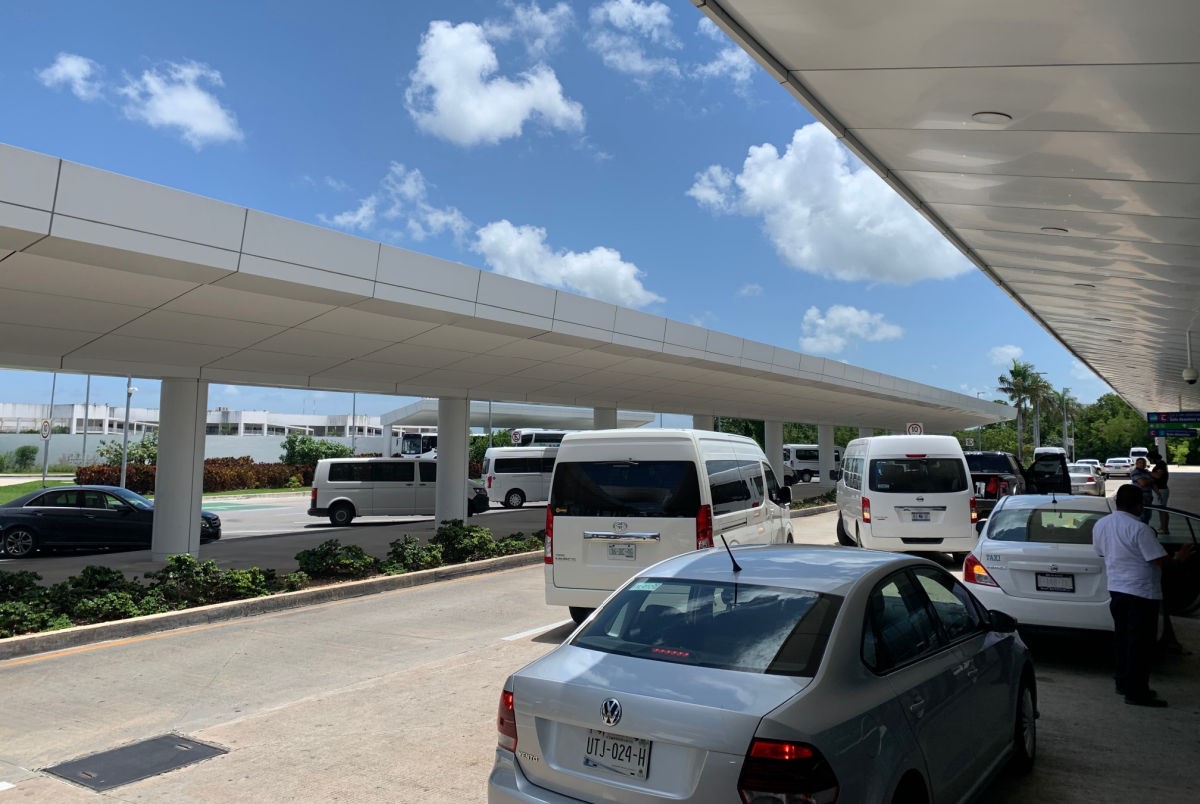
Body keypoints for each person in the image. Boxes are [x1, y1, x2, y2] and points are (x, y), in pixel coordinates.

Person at [1092, 484, 1193, 707]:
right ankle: (1137, 691)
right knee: (1140, 644)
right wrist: (1178, 559)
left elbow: (1100, 551)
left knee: (1122, 638)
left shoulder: (1102, 524)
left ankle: (1122, 682)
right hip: (1141, 593)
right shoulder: (1140, 529)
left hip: (1117, 590)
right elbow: (1157, 559)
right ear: (1139, 505)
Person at [1128, 457, 1158, 524]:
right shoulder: (1135, 472)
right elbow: (1143, 483)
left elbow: (1154, 482)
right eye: (1140, 463)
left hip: (1148, 496)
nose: (1142, 464)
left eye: (1144, 463)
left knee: (1148, 515)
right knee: (1141, 515)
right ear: (1136, 464)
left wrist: (1158, 493)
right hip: (1140, 496)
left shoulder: (1146, 472)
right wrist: (1151, 480)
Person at [1148, 449, 1170, 534]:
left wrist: (1148, 472)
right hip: (1161, 489)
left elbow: (1158, 476)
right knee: (1162, 509)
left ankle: (1164, 528)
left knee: (1162, 510)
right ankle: (1163, 527)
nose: (1150, 461)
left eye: (1150, 459)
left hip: (1161, 490)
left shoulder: (1160, 465)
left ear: (1153, 458)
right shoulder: (1160, 464)